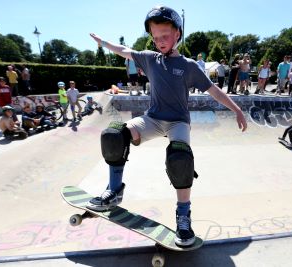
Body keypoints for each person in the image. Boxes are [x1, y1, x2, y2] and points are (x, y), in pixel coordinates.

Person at [89, 5, 247, 247]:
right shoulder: (150, 59)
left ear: (177, 35)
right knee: (113, 134)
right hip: (152, 118)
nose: (160, 41)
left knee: (180, 158)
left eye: (165, 35)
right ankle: (114, 190)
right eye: (155, 37)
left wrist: (236, 109)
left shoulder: (189, 66)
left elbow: (215, 91)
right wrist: (104, 43)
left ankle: (183, 216)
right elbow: (124, 51)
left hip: (178, 122)